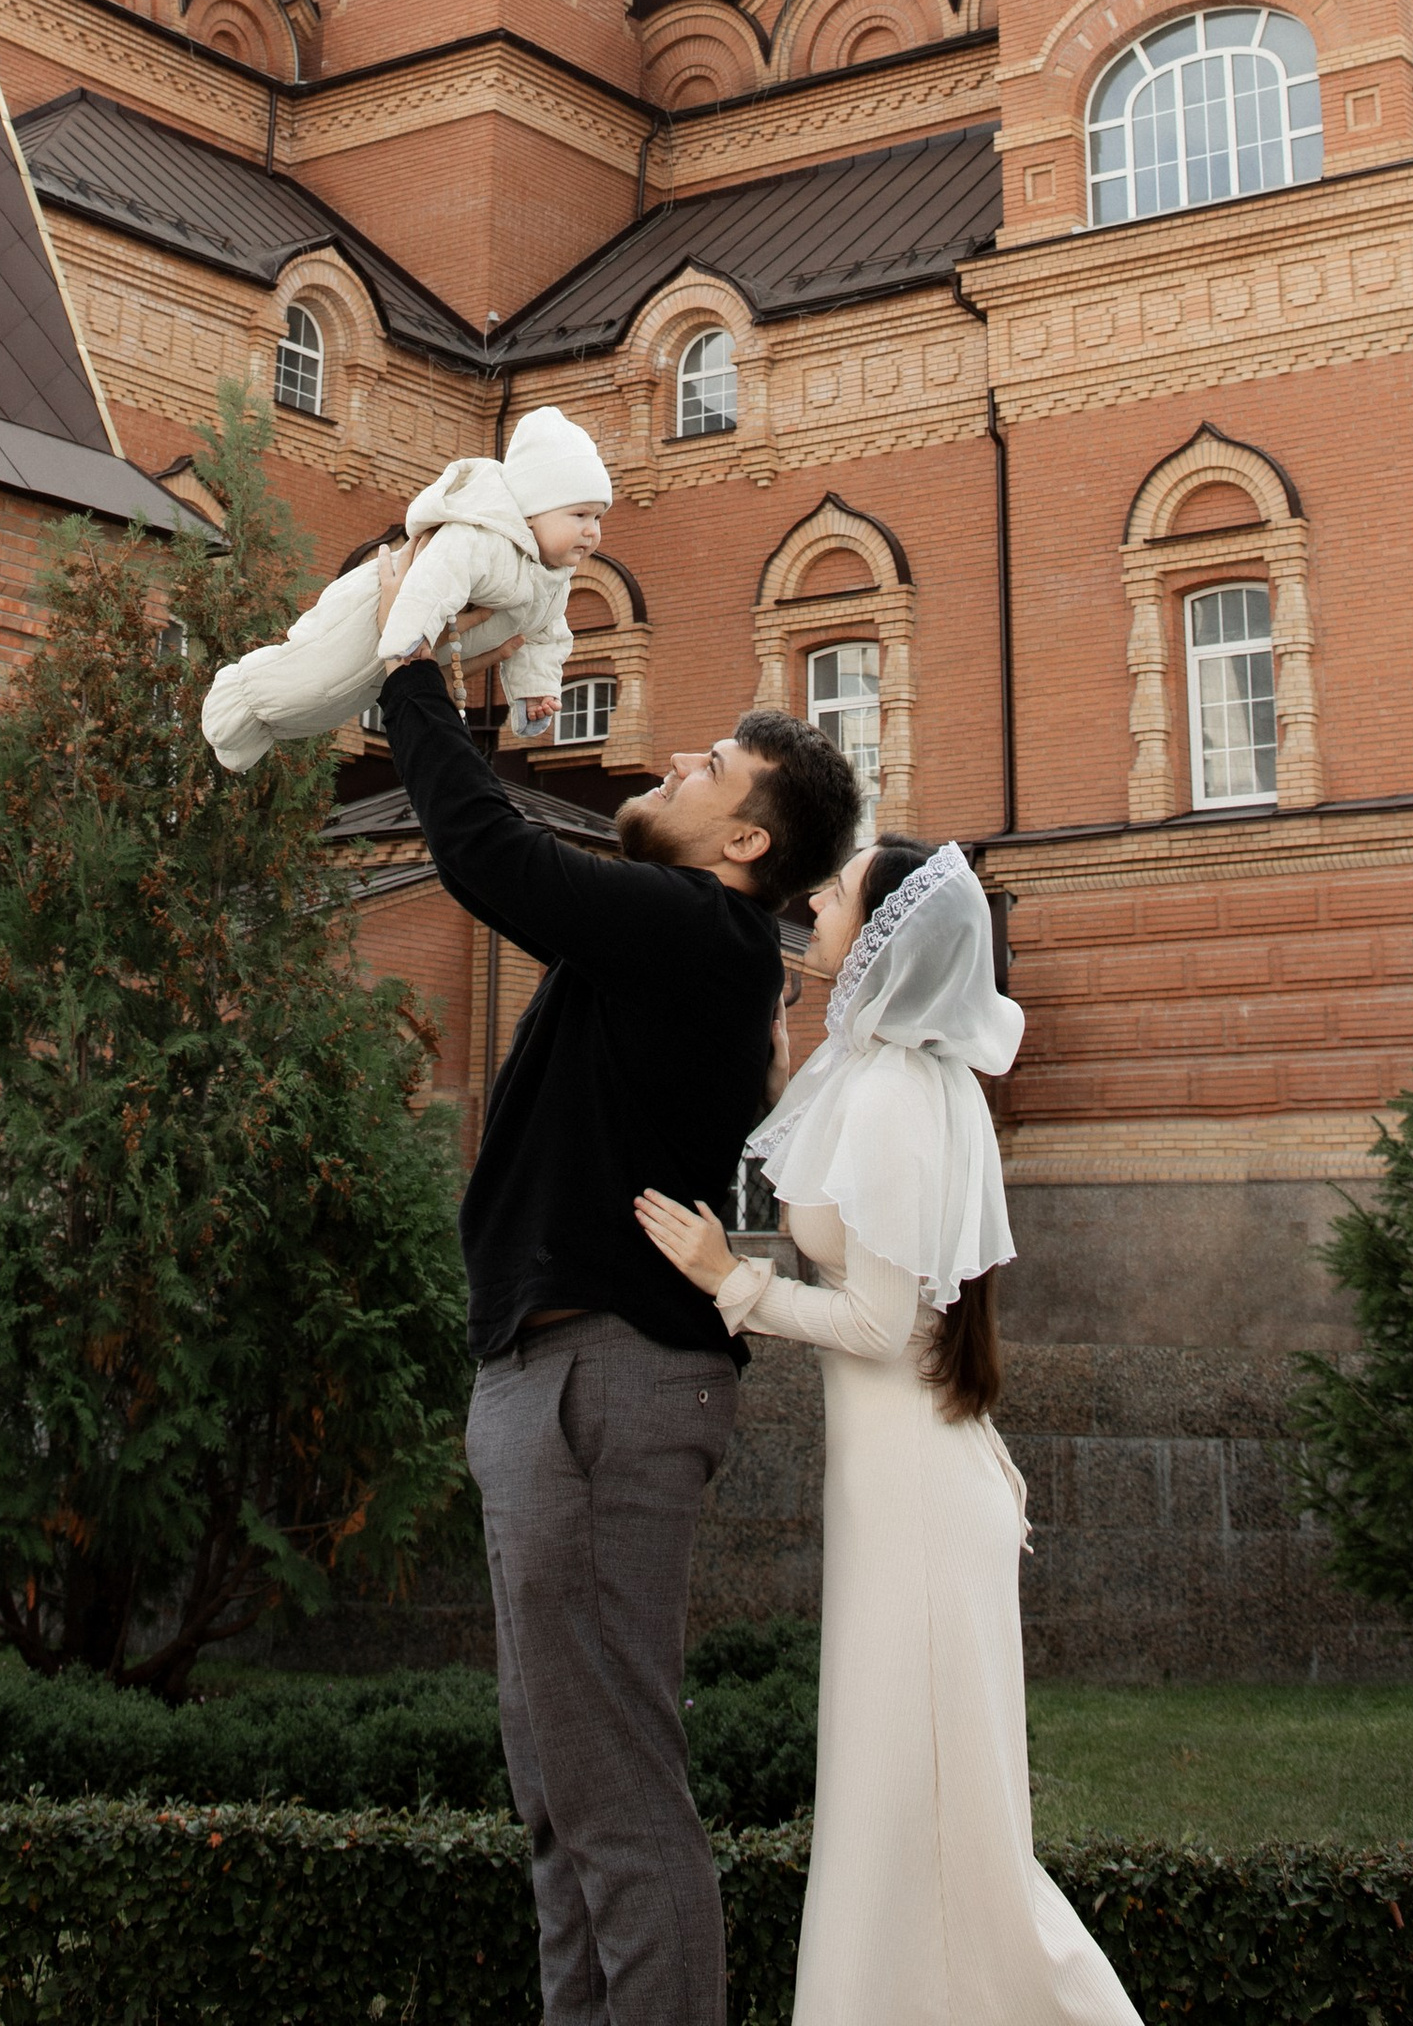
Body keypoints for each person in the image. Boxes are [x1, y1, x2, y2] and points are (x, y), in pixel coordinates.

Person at [378, 615, 863, 2026]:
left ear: (747, 847)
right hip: (563, 1375)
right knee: (562, 1795)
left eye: (709, 764)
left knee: (612, 1798)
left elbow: (490, 858)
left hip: (602, 1382)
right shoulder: (670, 949)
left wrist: (410, 675)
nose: (668, 758)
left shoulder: (707, 938)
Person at [638, 837, 1144, 2026]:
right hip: (906, 1492)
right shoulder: (885, 1076)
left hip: (917, 1502)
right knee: (902, 1819)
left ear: (879, 936)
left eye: (836, 891)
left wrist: (733, 1279)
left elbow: (877, 1319)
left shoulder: (900, 1093)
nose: (812, 899)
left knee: (930, 1827)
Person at [203, 405, 611, 771]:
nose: (591, 532)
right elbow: (436, 578)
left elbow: (543, 639)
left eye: (598, 518)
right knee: (316, 677)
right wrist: (411, 633)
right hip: (378, 612)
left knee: (339, 703)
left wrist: (533, 692)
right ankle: (236, 699)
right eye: (579, 515)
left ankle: (254, 738)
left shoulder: (553, 580)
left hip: (414, 651)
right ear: (531, 510)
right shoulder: (485, 537)